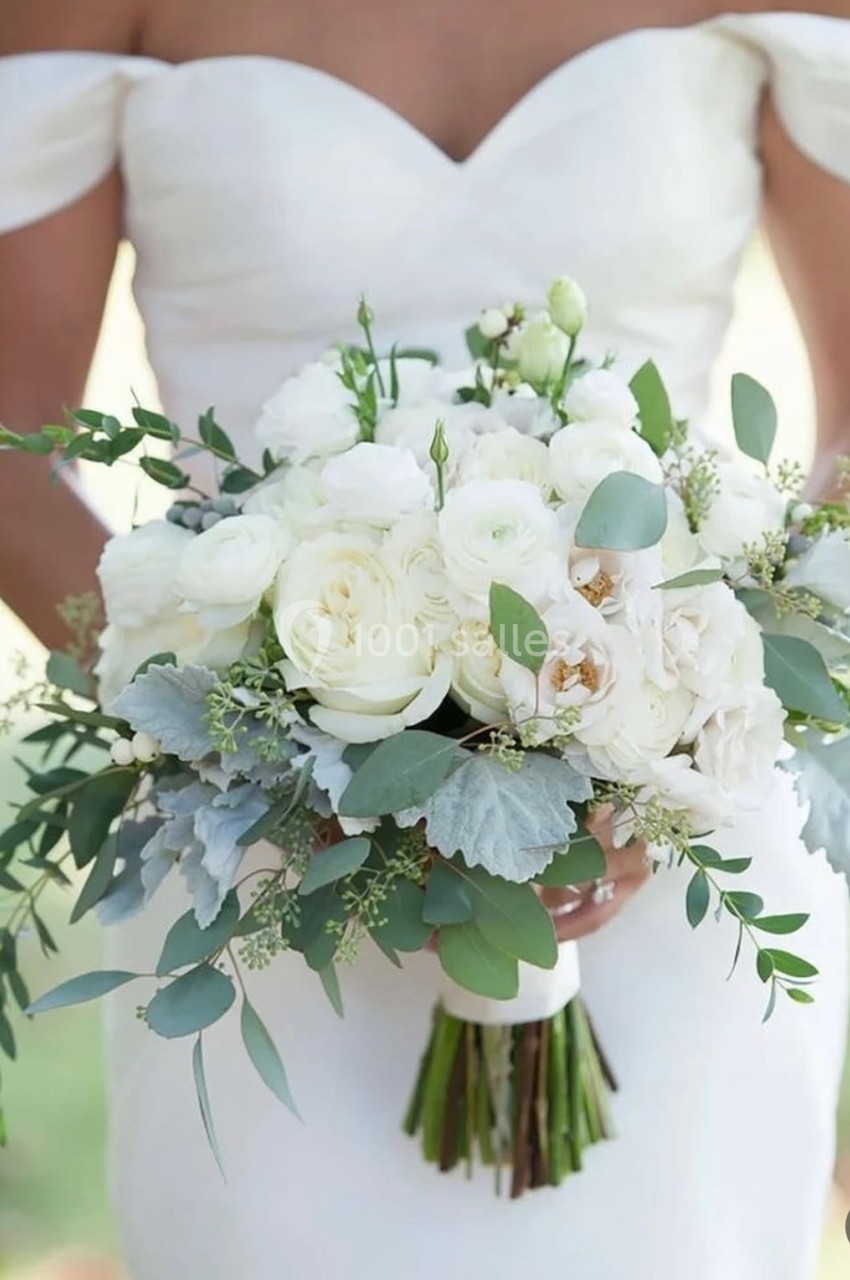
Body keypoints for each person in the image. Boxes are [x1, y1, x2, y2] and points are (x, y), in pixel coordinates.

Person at [1, 2, 849, 1277]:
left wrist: (672, 717)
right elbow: (11, 436)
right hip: (261, 878)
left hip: (680, 843)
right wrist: (257, 738)